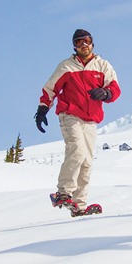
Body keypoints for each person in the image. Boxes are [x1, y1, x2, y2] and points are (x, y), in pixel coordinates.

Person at [34, 29, 120, 213]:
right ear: (74, 46)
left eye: (86, 41)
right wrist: (42, 110)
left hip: (90, 120)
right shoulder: (66, 66)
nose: (83, 44)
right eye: (79, 42)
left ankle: (79, 206)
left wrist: (105, 93)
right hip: (70, 115)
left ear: (92, 43)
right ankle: (63, 192)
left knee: (87, 162)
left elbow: (114, 88)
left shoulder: (102, 66)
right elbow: (50, 89)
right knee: (77, 151)